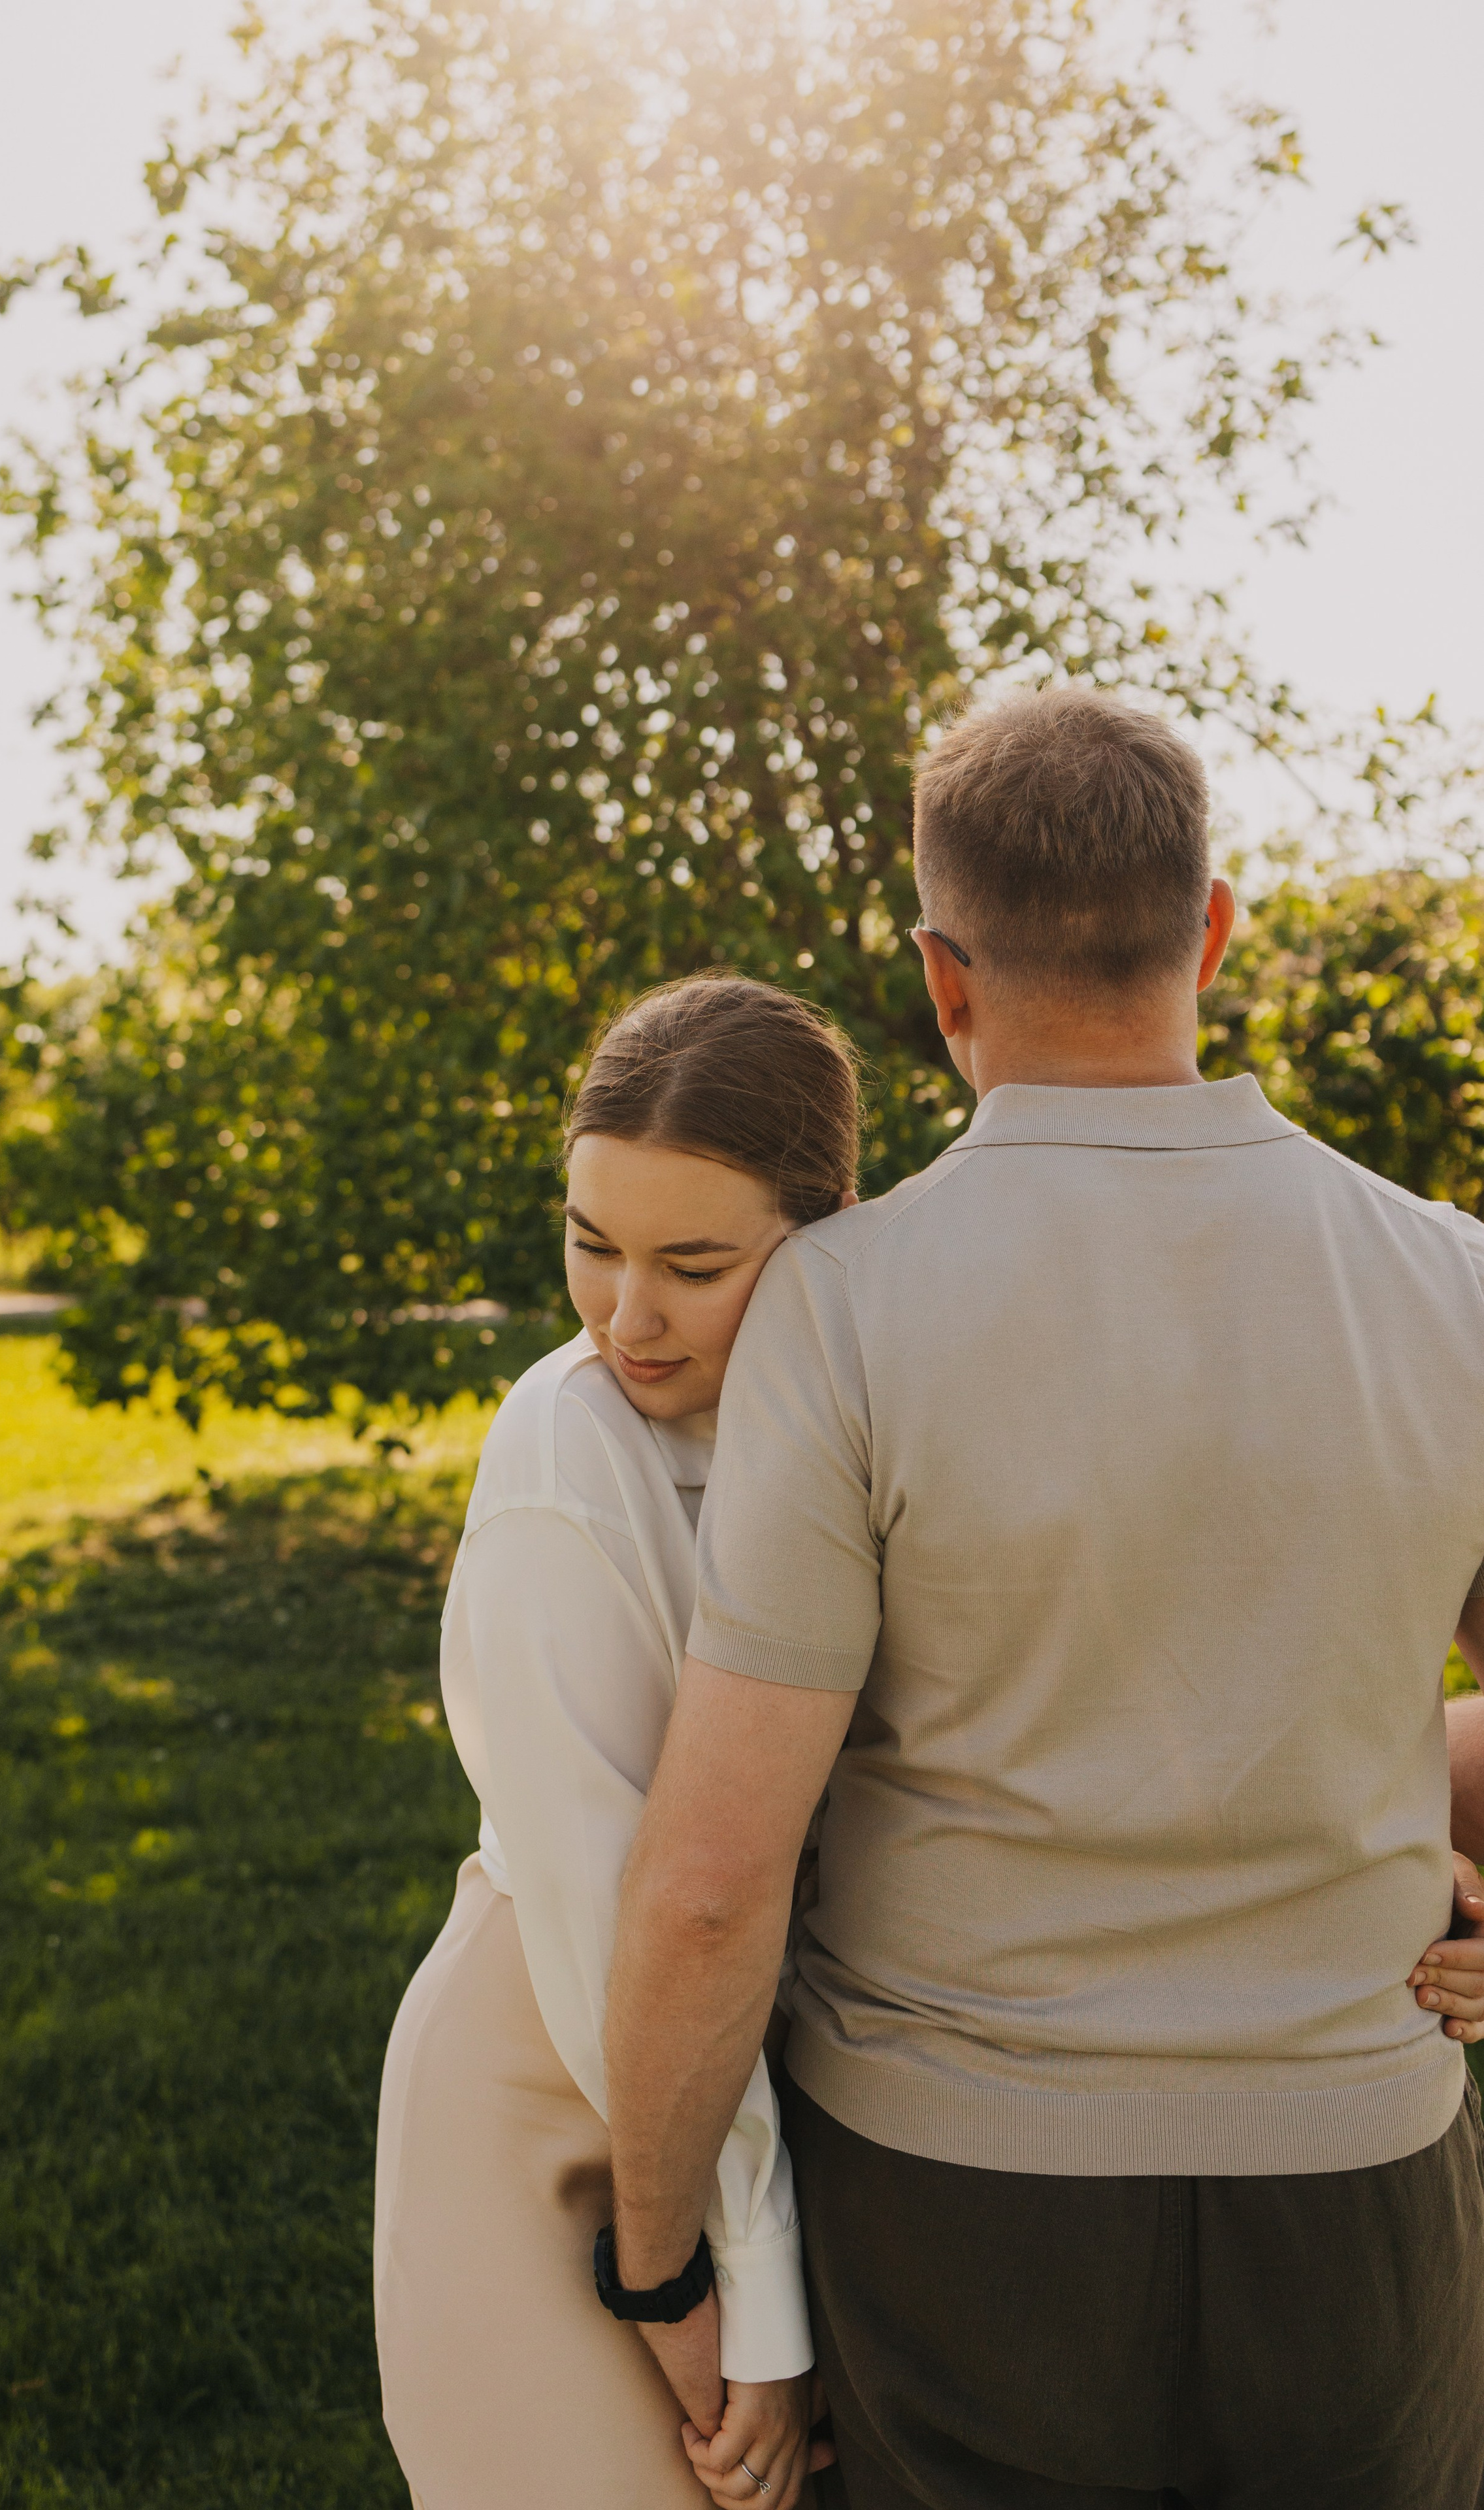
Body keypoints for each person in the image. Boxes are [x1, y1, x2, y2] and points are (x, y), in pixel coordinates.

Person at [603, 686, 1484, 2509]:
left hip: (960, 2216)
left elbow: (708, 1886)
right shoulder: (1458, 1286)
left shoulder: (844, 1309)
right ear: (1214, 932)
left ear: (942, 975)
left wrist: (661, 2255)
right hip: (1362, 2198)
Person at [374, 977, 858, 2510]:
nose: (623, 1318)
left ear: (825, 1228)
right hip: (552, 2105)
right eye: (590, 1244)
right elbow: (639, 1924)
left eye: (692, 1264)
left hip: (766, 2084)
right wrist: (734, 2305)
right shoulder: (565, 1446)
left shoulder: (870, 1420)